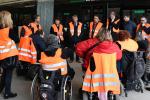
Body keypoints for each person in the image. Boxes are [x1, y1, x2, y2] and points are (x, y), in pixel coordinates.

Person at [76, 28, 122, 100]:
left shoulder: (90, 42)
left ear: (98, 34)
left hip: (92, 71)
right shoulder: (114, 46)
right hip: (108, 72)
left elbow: (78, 48)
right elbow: (119, 57)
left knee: (86, 67)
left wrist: (85, 56)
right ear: (109, 35)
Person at [0, 11, 18, 99]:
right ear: (8, 19)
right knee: (8, 74)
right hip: (10, 55)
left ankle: (1, 89)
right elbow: (17, 39)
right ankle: (7, 93)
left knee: (4, 73)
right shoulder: (9, 30)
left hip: (1, 55)